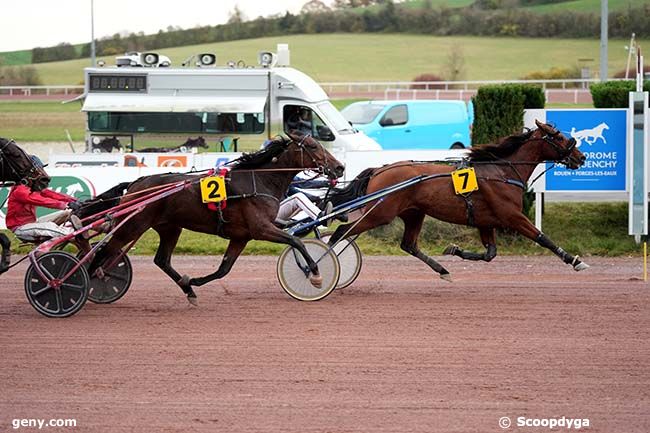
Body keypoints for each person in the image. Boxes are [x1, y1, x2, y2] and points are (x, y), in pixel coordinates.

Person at [6, 157, 84, 242]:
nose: (42, 173)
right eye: (39, 170)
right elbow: (41, 200)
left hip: (33, 223)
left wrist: (73, 200)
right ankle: (78, 234)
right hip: (21, 228)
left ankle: (89, 250)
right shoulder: (20, 190)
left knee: (68, 213)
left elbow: (51, 194)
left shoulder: (32, 186)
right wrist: (65, 205)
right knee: (51, 227)